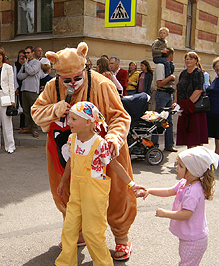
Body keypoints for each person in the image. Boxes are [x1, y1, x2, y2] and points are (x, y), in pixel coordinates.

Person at [32, 42, 136, 260]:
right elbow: (37, 113)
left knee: (115, 195)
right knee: (69, 193)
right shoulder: (51, 87)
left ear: (85, 68)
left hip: (103, 149)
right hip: (69, 150)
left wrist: (114, 139)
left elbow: (120, 116)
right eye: (66, 80)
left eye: (77, 78)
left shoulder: (101, 84)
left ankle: (121, 237)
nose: (72, 84)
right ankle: (76, 231)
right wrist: (56, 108)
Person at [55, 102, 144, 266]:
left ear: (88, 122)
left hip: (94, 195)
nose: (69, 122)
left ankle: (103, 263)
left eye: (74, 119)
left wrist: (132, 185)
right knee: (69, 229)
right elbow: (70, 161)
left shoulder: (100, 144)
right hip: (76, 193)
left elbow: (115, 165)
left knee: (92, 232)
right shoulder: (71, 139)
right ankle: (65, 263)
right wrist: (62, 181)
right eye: (69, 118)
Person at [142, 146, 218, 266]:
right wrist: (150, 190)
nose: (176, 167)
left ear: (193, 172)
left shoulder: (193, 191)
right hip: (190, 236)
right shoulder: (185, 183)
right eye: (178, 164)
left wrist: (165, 214)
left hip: (193, 239)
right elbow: (169, 191)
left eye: (181, 166)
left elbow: (186, 214)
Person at [174, 51, 208, 148]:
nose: (188, 60)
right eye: (187, 59)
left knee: (195, 138)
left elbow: (198, 90)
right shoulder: (183, 73)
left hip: (194, 109)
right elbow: (178, 88)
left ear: (196, 61)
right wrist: (176, 102)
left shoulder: (198, 73)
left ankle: (197, 159)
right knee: (187, 137)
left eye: (191, 58)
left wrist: (187, 103)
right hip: (184, 108)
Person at [151, 48, 177, 152]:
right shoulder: (161, 65)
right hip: (162, 93)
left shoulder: (168, 65)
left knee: (169, 121)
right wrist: (170, 77)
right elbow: (160, 83)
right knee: (159, 119)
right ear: (170, 55)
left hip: (168, 93)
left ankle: (169, 144)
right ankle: (154, 144)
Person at [17, 46, 41, 137]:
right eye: (25, 53)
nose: (26, 55)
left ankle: (35, 128)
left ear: (32, 53)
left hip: (32, 90)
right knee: (26, 110)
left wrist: (27, 67)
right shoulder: (24, 64)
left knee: (33, 110)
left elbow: (31, 71)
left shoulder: (36, 62)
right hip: (24, 89)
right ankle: (28, 127)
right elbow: (19, 76)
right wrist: (27, 73)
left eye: (28, 53)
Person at [206, 57, 219, 155]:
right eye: (216, 68)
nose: (218, 70)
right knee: (216, 137)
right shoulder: (216, 79)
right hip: (213, 114)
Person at [14, 49, 26, 130]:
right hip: (20, 86)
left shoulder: (27, 64)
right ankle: (22, 125)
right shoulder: (16, 64)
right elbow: (15, 76)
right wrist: (16, 87)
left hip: (26, 86)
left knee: (26, 106)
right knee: (21, 105)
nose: (21, 58)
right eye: (20, 56)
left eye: (23, 56)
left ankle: (26, 124)